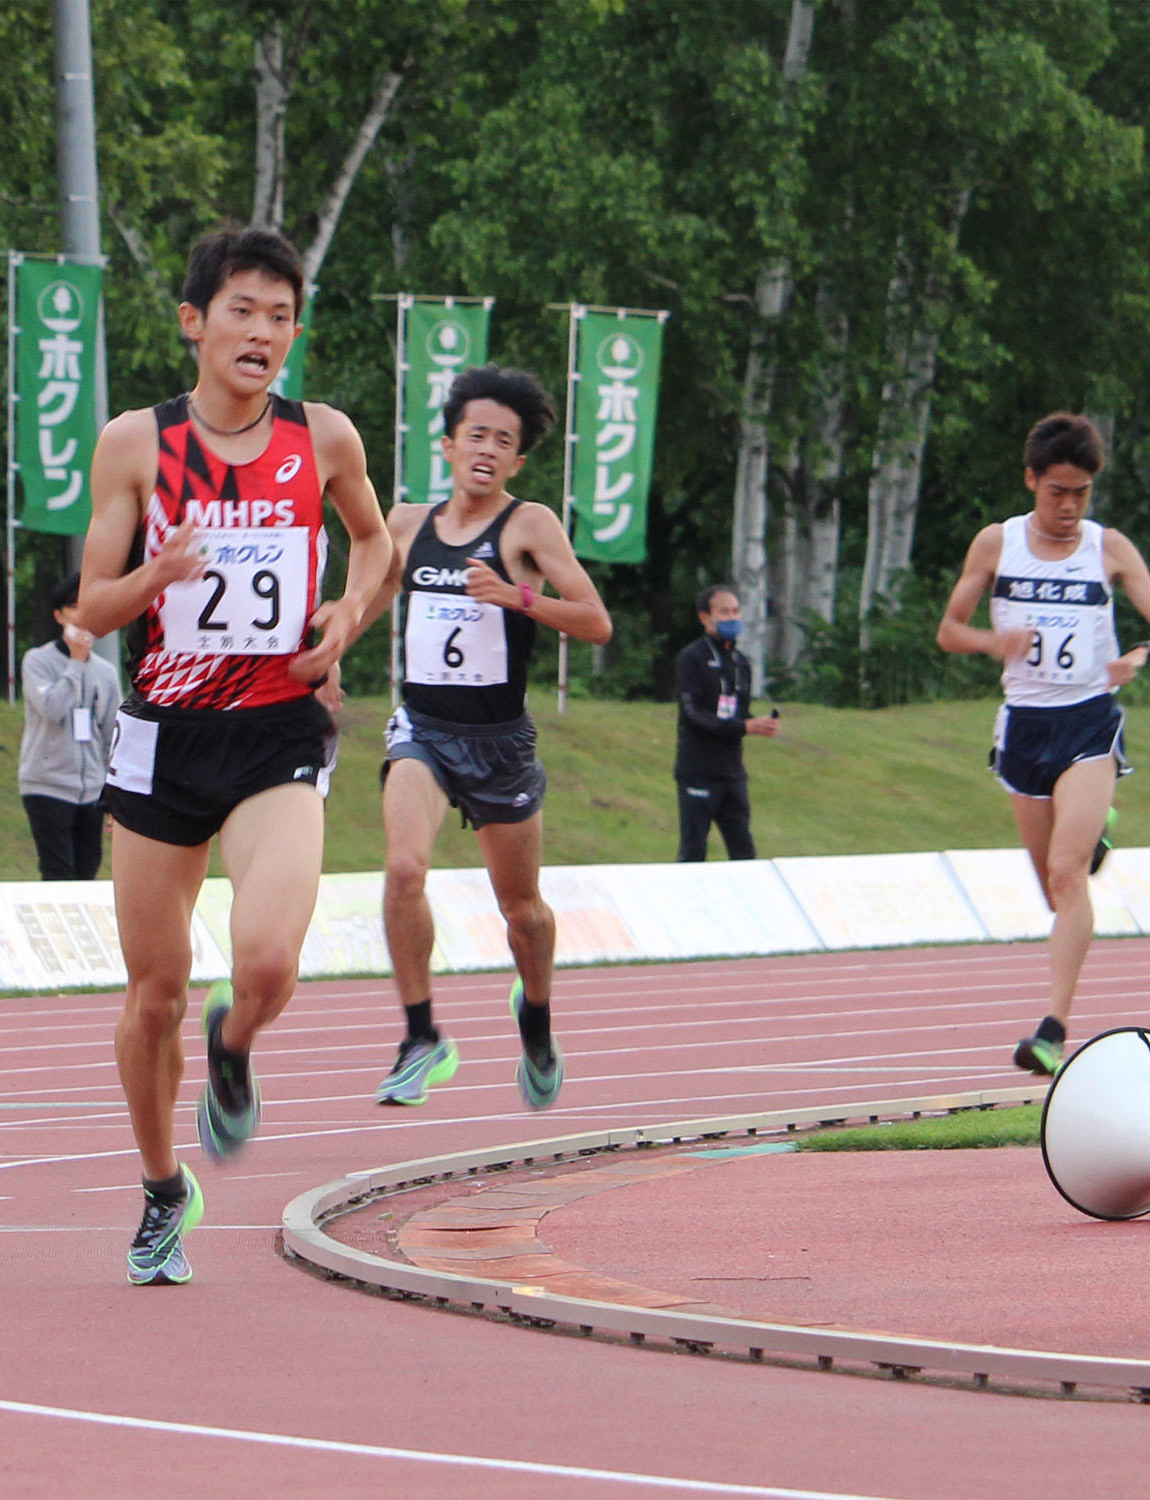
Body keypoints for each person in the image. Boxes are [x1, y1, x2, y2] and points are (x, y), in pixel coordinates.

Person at [75, 225, 393, 1286]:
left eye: (279, 316)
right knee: (151, 992)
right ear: (193, 323)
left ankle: (236, 1043)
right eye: (242, 312)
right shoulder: (135, 445)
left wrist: (348, 615)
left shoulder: (325, 438)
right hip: (162, 741)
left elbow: (376, 541)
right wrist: (158, 571)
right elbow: (91, 604)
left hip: (275, 730)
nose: (262, 333)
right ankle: (164, 1186)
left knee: (263, 960)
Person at [357, 365, 611, 1111]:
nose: (488, 449)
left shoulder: (528, 526)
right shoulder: (405, 523)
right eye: (477, 434)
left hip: (500, 742)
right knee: (404, 869)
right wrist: (325, 659)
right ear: (448, 443)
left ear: (517, 460)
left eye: (504, 440)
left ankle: (535, 1017)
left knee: (522, 913)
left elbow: (595, 621)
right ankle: (420, 1035)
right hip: (425, 730)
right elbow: (362, 602)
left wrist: (516, 596)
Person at [937, 412, 1150, 1075]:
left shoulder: (1107, 548)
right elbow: (949, 631)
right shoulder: (996, 545)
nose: (1070, 506)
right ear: (1032, 481)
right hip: (1023, 727)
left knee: (1066, 874)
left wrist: (1139, 654)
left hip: (1087, 722)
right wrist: (996, 641)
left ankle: (1053, 1029)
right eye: (1057, 492)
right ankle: (1095, 827)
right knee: (1054, 894)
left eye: (1081, 492)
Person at [18, 571, 120, 880]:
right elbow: (52, 709)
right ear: (59, 615)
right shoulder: (38, 662)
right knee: (58, 872)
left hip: (90, 789)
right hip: (47, 784)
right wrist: (75, 663)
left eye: (87, 607)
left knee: (87, 871)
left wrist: (114, 794)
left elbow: (111, 736)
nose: (81, 615)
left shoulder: (105, 672)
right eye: (73, 606)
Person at [673, 586, 780, 861]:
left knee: (744, 851)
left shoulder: (741, 662)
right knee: (694, 850)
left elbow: (739, 715)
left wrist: (759, 724)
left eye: (735, 611)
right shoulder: (691, 658)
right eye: (723, 612)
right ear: (705, 618)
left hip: (732, 773)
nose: (731, 618)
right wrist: (744, 727)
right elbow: (693, 714)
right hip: (697, 772)